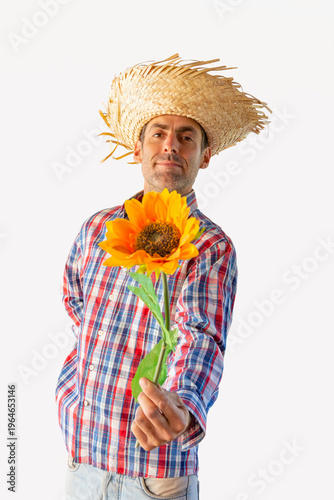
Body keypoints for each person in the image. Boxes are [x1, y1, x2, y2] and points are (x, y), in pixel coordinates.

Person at [56, 54, 270, 499]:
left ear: (204, 156)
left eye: (186, 136)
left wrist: (182, 403)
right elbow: (77, 308)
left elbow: (201, 336)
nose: (171, 145)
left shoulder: (209, 246)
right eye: (159, 133)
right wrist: (70, 395)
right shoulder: (99, 229)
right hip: (83, 459)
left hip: (155, 476)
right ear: (139, 148)